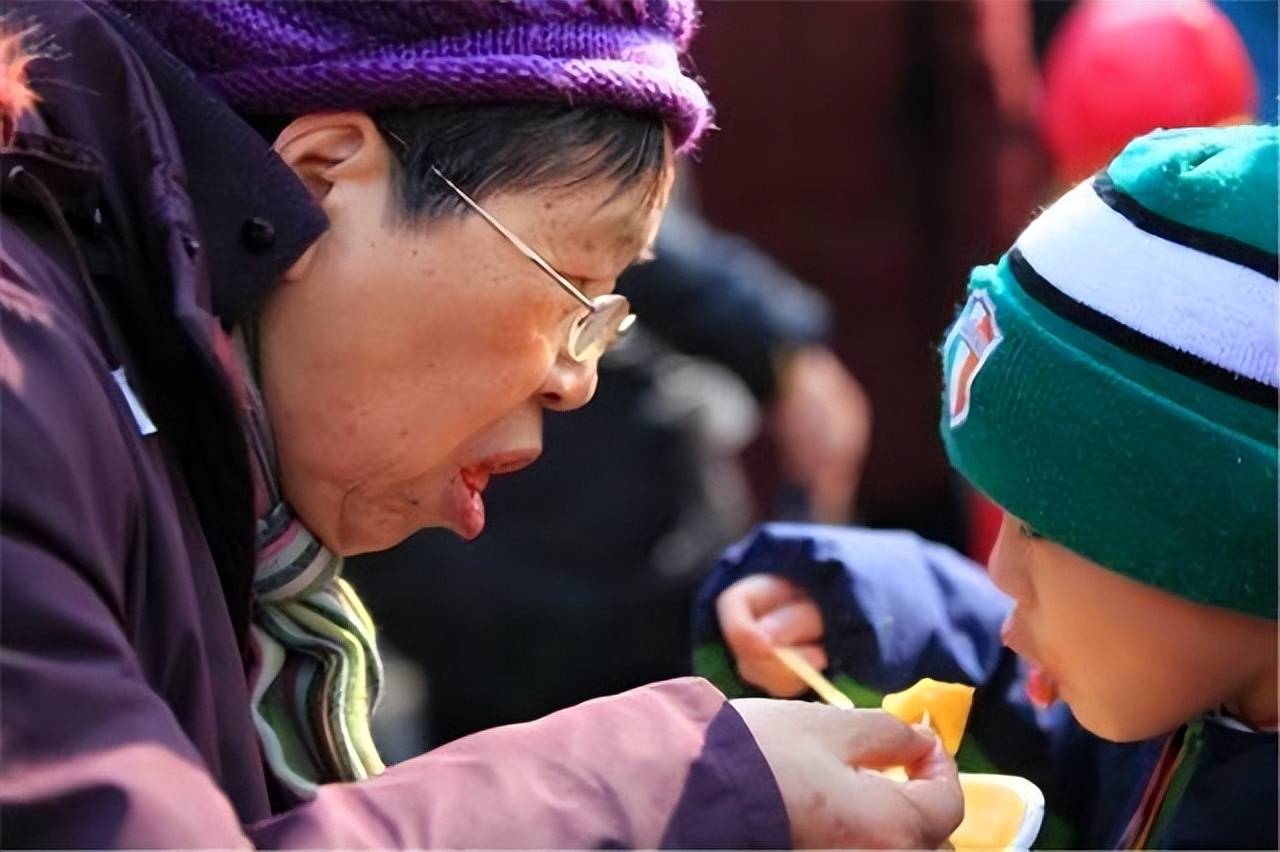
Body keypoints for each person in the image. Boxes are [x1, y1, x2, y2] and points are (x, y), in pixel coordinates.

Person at [0, 1, 964, 847]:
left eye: (610, 317)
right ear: (319, 179)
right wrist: (668, 783)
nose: (575, 382)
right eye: (571, 286)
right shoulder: (24, 385)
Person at [697, 125, 1278, 848]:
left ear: (1230, 535)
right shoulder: (1176, 698)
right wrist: (866, 614)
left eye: (1040, 524)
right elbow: (1057, 755)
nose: (1001, 569)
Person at [351, 195, 870, 749]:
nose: (571, 381)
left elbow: (606, 221)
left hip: (638, 577)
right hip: (489, 621)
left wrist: (779, 344)